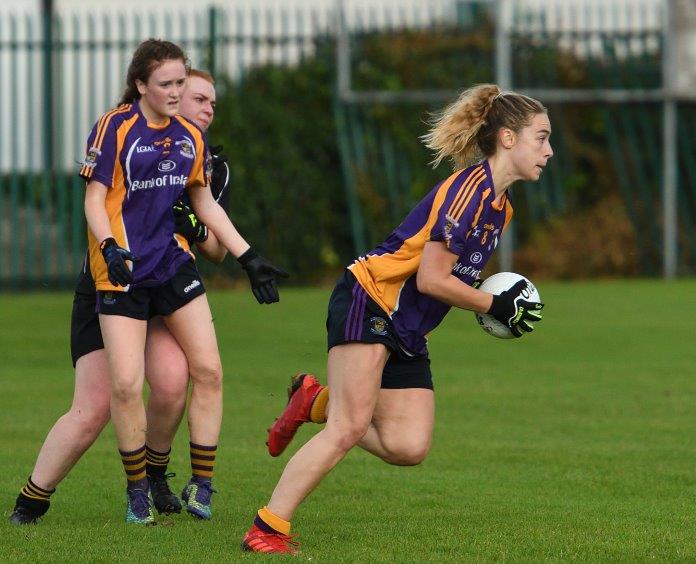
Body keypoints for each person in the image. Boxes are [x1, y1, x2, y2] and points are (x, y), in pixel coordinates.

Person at [240, 84, 549, 554]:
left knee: (408, 446)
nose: (549, 150)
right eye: (541, 137)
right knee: (347, 428)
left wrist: (487, 301)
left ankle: (314, 400)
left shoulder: (500, 208)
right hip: (370, 299)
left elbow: (451, 279)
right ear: (508, 137)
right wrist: (492, 306)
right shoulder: (469, 193)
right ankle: (268, 527)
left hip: (407, 326)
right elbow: (430, 279)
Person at [8, 68, 237, 525]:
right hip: (111, 285)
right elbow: (101, 206)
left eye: (211, 101)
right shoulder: (127, 138)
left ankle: (151, 481)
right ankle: (33, 499)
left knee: (173, 382)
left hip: (164, 286)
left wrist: (193, 226)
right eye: (197, 97)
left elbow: (214, 249)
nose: (206, 108)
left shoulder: (204, 160)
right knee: (94, 407)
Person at [80, 39, 285, 525]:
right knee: (127, 385)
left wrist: (247, 256)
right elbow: (95, 198)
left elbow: (204, 202)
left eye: (180, 82)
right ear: (141, 85)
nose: (175, 92)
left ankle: (203, 484)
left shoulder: (189, 138)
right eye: (167, 84)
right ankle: (137, 492)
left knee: (209, 371)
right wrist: (110, 246)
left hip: (173, 266)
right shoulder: (116, 126)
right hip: (124, 270)